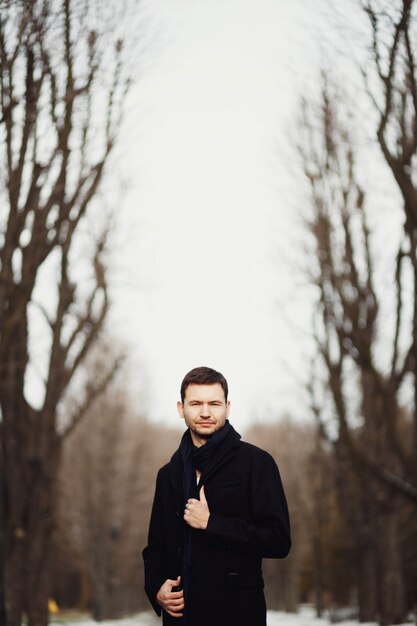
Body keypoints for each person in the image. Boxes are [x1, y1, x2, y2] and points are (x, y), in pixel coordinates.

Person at [143, 366, 291, 626]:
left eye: (214, 403)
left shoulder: (256, 463)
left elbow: (278, 540)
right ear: (181, 409)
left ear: (227, 407)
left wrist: (212, 523)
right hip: (182, 617)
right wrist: (156, 588)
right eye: (196, 403)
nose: (205, 412)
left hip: (237, 614)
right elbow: (156, 548)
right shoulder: (169, 474)